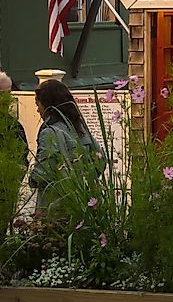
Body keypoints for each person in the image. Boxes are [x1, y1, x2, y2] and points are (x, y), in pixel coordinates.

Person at [29, 79, 103, 213]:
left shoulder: (49, 132)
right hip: (83, 203)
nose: (38, 110)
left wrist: (32, 179)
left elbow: (43, 173)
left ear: (47, 105)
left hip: (55, 206)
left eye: (38, 104)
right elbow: (100, 159)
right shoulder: (80, 128)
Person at [0, 71, 28, 168]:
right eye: (2, 93)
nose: (7, 99)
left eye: (9, 93)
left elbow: (23, 155)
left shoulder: (13, 125)